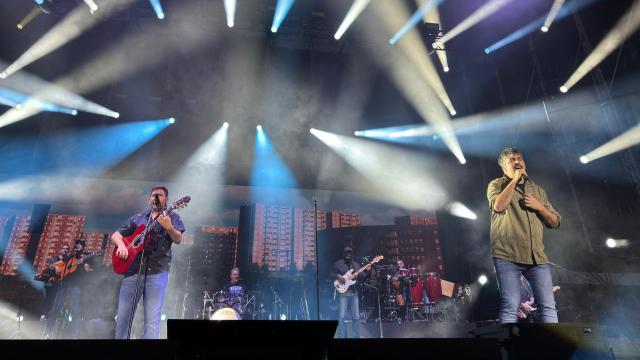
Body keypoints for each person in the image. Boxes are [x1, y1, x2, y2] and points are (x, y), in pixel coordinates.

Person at [487, 147, 561, 324]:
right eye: (511, 160)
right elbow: (499, 206)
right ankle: (508, 349)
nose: (517, 162)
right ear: (504, 167)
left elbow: (555, 222)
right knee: (510, 306)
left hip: (537, 257)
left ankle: (554, 349)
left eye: (519, 158)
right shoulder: (496, 185)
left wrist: (539, 206)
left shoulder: (537, 190)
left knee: (548, 306)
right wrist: (514, 181)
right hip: (507, 256)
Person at [112, 185, 185, 339]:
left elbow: (178, 239)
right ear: (149, 198)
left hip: (157, 273)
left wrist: (170, 228)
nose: (156, 198)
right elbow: (116, 235)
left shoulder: (173, 217)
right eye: (153, 195)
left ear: (167, 200)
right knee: (122, 319)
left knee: (152, 321)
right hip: (133, 272)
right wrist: (121, 246)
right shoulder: (138, 218)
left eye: (160, 195)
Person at [42, 239, 93, 339]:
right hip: (63, 286)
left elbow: (87, 269)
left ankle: (75, 336)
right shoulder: (69, 257)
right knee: (55, 310)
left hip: (75, 287)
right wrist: (56, 269)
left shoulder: (85, 257)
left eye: (81, 245)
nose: (78, 246)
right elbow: (57, 266)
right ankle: (47, 334)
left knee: (75, 311)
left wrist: (83, 263)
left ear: (83, 247)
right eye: (77, 244)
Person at [332, 245, 371, 338]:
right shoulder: (338, 263)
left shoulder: (356, 265)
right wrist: (338, 276)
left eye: (350, 252)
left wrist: (369, 271)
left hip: (354, 293)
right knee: (341, 316)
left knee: (356, 317)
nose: (348, 254)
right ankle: (341, 337)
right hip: (343, 293)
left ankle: (356, 337)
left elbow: (363, 277)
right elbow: (330, 274)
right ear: (343, 253)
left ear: (352, 254)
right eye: (347, 252)